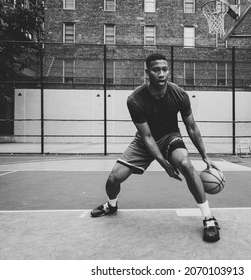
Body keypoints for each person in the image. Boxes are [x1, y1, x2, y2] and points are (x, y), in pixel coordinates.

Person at [90, 53, 221, 242]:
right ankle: (111, 205)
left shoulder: (179, 95)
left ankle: (208, 218)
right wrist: (165, 165)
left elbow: (191, 127)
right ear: (147, 72)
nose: (161, 74)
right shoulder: (135, 99)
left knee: (186, 163)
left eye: (165, 69)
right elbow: (147, 136)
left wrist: (205, 156)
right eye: (156, 70)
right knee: (113, 179)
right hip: (144, 142)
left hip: (170, 137)